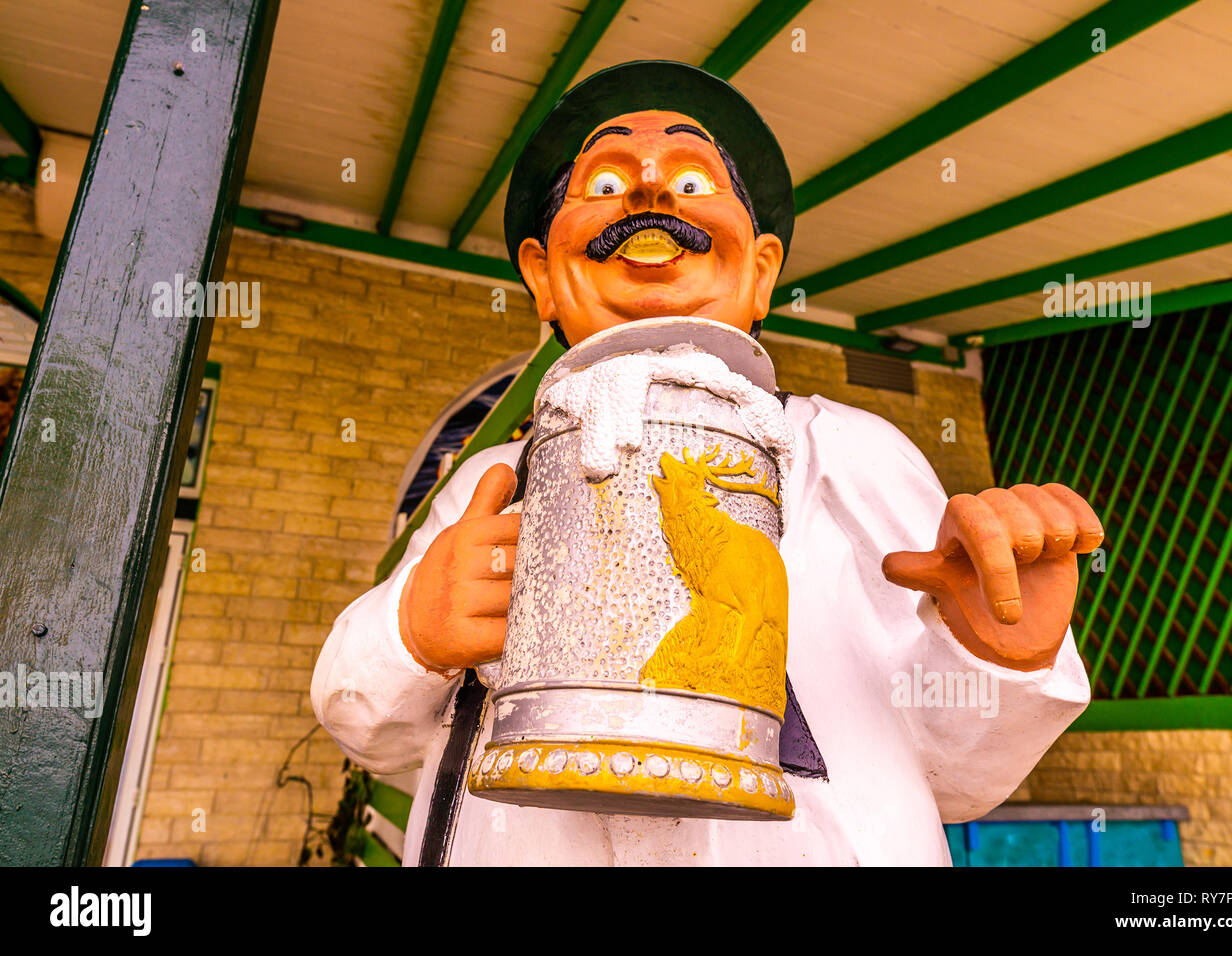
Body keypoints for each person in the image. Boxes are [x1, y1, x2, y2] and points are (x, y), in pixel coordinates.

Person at [312, 61, 1104, 865]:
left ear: (761, 272)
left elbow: (961, 773)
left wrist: (1000, 653)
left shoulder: (851, 454)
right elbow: (365, 724)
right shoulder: (492, 488)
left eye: (692, 179)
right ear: (542, 275)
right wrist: (408, 633)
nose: (649, 193)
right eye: (608, 178)